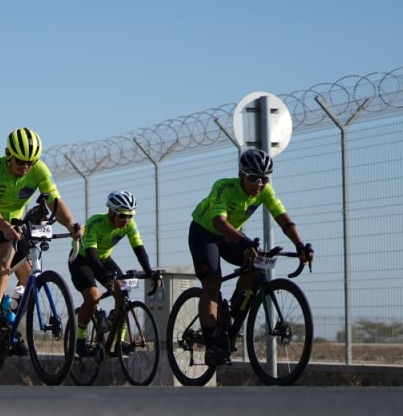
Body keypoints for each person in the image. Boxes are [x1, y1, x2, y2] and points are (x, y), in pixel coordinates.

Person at [188, 148, 314, 365]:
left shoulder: (265, 191)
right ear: (241, 175)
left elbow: (283, 219)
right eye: (253, 178)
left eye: (264, 179)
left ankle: (232, 312)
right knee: (212, 283)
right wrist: (243, 241)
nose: (259, 183)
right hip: (204, 233)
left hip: (230, 235)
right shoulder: (224, 187)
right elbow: (219, 222)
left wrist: (300, 245)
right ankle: (211, 345)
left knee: (256, 263)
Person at [0, 127, 83, 346]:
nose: (26, 167)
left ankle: (10, 323)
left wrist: (72, 224)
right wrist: (5, 227)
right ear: (8, 154)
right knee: (4, 248)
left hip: (15, 224)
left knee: (29, 279)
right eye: (20, 162)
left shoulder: (38, 170)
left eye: (31, 162)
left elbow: (55, 202)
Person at [68, 190, 160, 356]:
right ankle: (80, 340)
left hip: (104, 259)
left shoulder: (130, 225)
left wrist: (150, 272)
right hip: (83, 260)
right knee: (93, 296)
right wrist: (106, 278)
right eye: (123, 216)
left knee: (122, 292)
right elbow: (91, 255)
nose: (127, 220)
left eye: (130, 216)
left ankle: (119, 342)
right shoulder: (95, 223)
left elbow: (139, 249)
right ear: (111, 212)